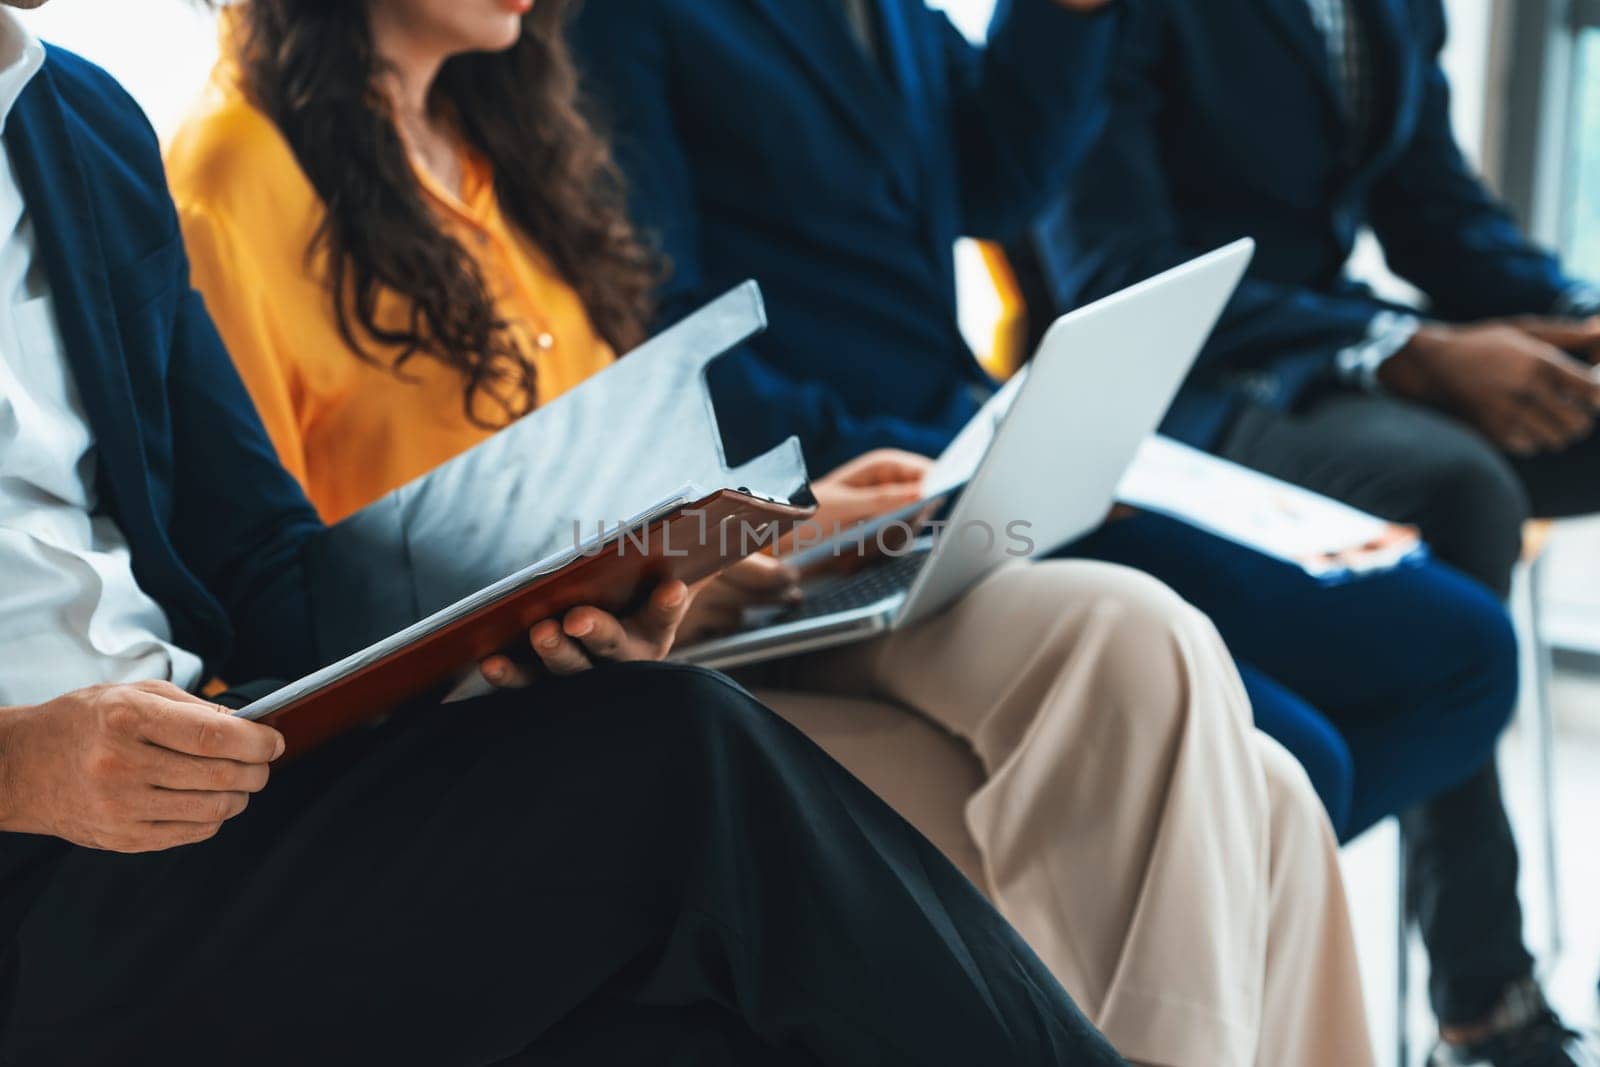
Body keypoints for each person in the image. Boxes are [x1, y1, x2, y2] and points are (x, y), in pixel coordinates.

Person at [166, 2, 1377, 1064]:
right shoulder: (231, 179)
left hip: (694, 608)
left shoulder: (503, 157)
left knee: (1138, 629)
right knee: (1252, 791)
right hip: (533, 696)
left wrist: (803, 519)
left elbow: (605, 484)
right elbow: (269, 584)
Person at [565, 0, 1536, 1059]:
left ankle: (1075, 939)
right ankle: (1079, 951)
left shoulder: (897, 16)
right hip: (846, 491)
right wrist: (902, 469)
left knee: (1461, 651)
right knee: (1284, 766)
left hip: (976, 452)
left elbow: (1002, 175)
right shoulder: (634, 22)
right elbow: (667, 338)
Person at [1026, 0, 1600, 1062]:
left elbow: (1431, 203)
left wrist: (1571, 308)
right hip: (1190, 382)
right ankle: (1484, 994)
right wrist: (1403, 348)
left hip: (1340, 351)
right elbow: (1115, 270)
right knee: (1458, 493)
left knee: (1490, 465)